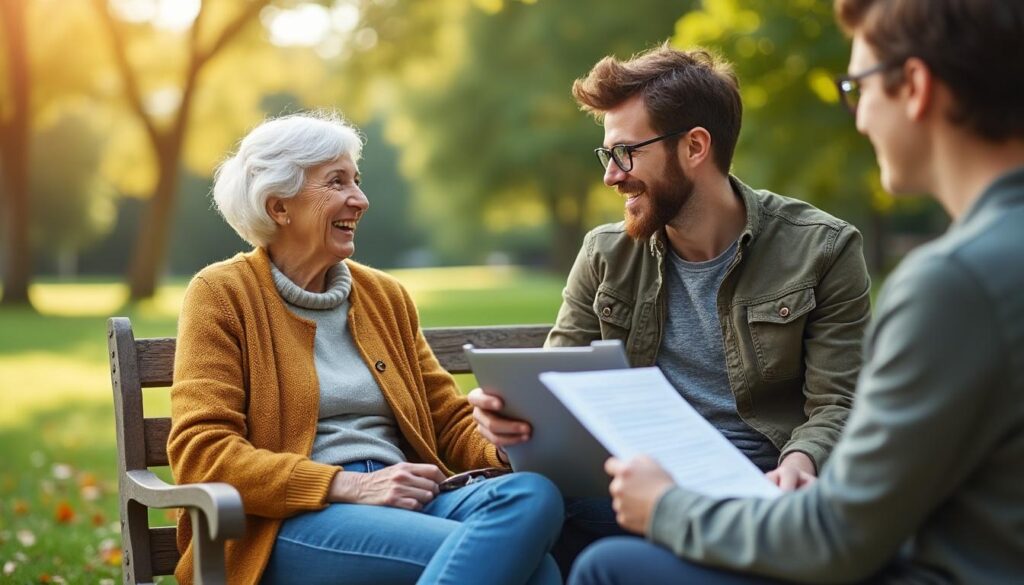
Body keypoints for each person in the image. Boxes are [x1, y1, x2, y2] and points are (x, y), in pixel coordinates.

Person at [568, 0, 1024, 583]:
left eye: (856, 87)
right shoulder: (978, 272)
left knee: (607, 568)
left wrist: (666, 507)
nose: (857, 118)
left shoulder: (954, 284)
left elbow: (839, 533)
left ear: (914, 87)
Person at [469, 43, 872, 571]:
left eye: (625, 152)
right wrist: (512, 427)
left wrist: (803, 458)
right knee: (520, 513)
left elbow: (838, 403)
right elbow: (555, 386)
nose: (611, 176)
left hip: (756, 492)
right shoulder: (604, 253)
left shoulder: (822, 249)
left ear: (695, 147)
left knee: (601, 561)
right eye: (607, 155)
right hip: (632, 487)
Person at [167, 112, 563, 585]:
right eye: (337, 182)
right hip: (288, 521)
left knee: (533, 495)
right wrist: (350, 484)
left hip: (410, 496)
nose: (361, 199)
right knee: (534, 570)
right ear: (279, 207)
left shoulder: (384, 296)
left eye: (357, 180)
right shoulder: (222, 294)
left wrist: (500, 444)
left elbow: (447, 421)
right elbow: (203, 452)